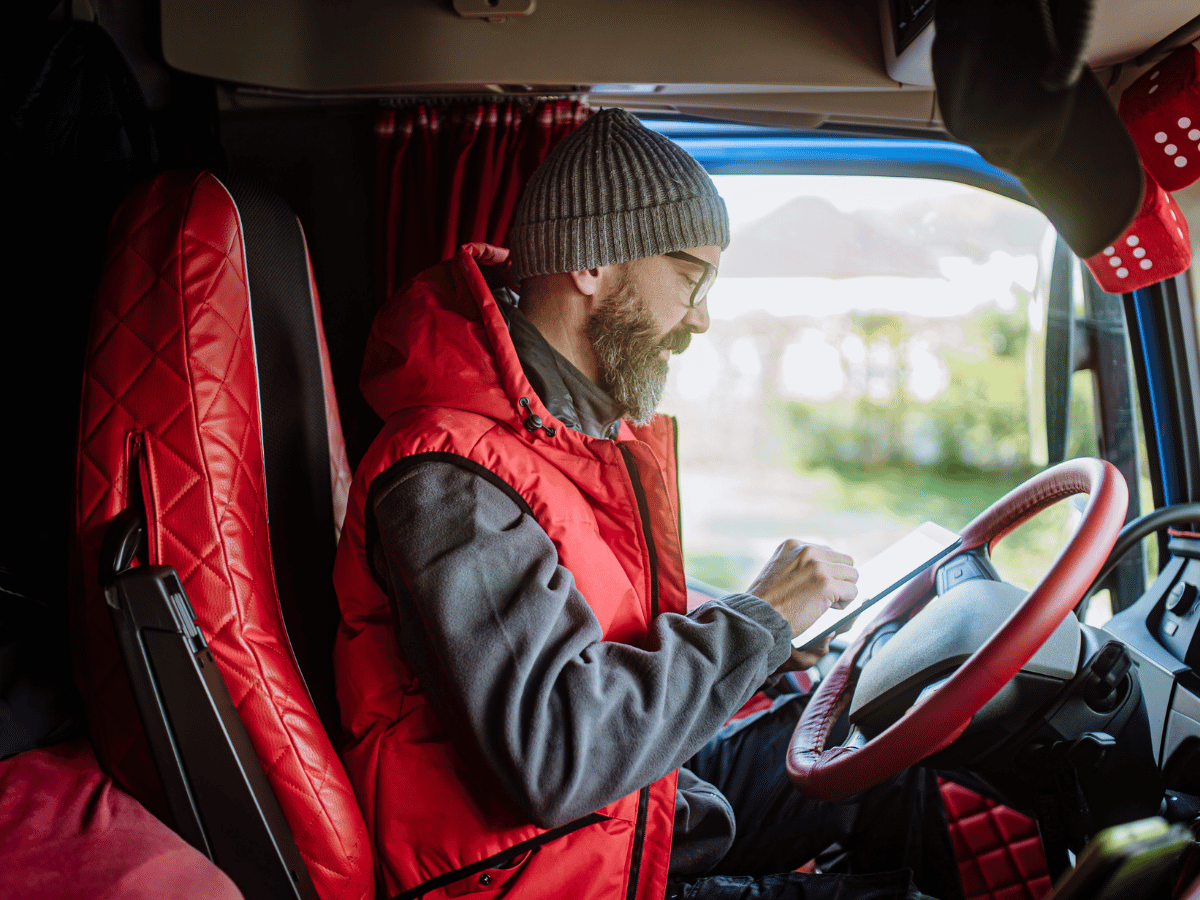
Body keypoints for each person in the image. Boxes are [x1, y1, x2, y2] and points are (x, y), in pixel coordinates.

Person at [333, 108, 959, 900]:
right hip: (537, 874)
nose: (701, 318)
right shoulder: (450, 476)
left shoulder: (564, 437)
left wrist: (764, 638)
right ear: (592, 261)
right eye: (692, 280)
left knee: (878, 741)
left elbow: (599, 649)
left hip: (623, 816)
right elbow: (559, 753)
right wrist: (757, 621)